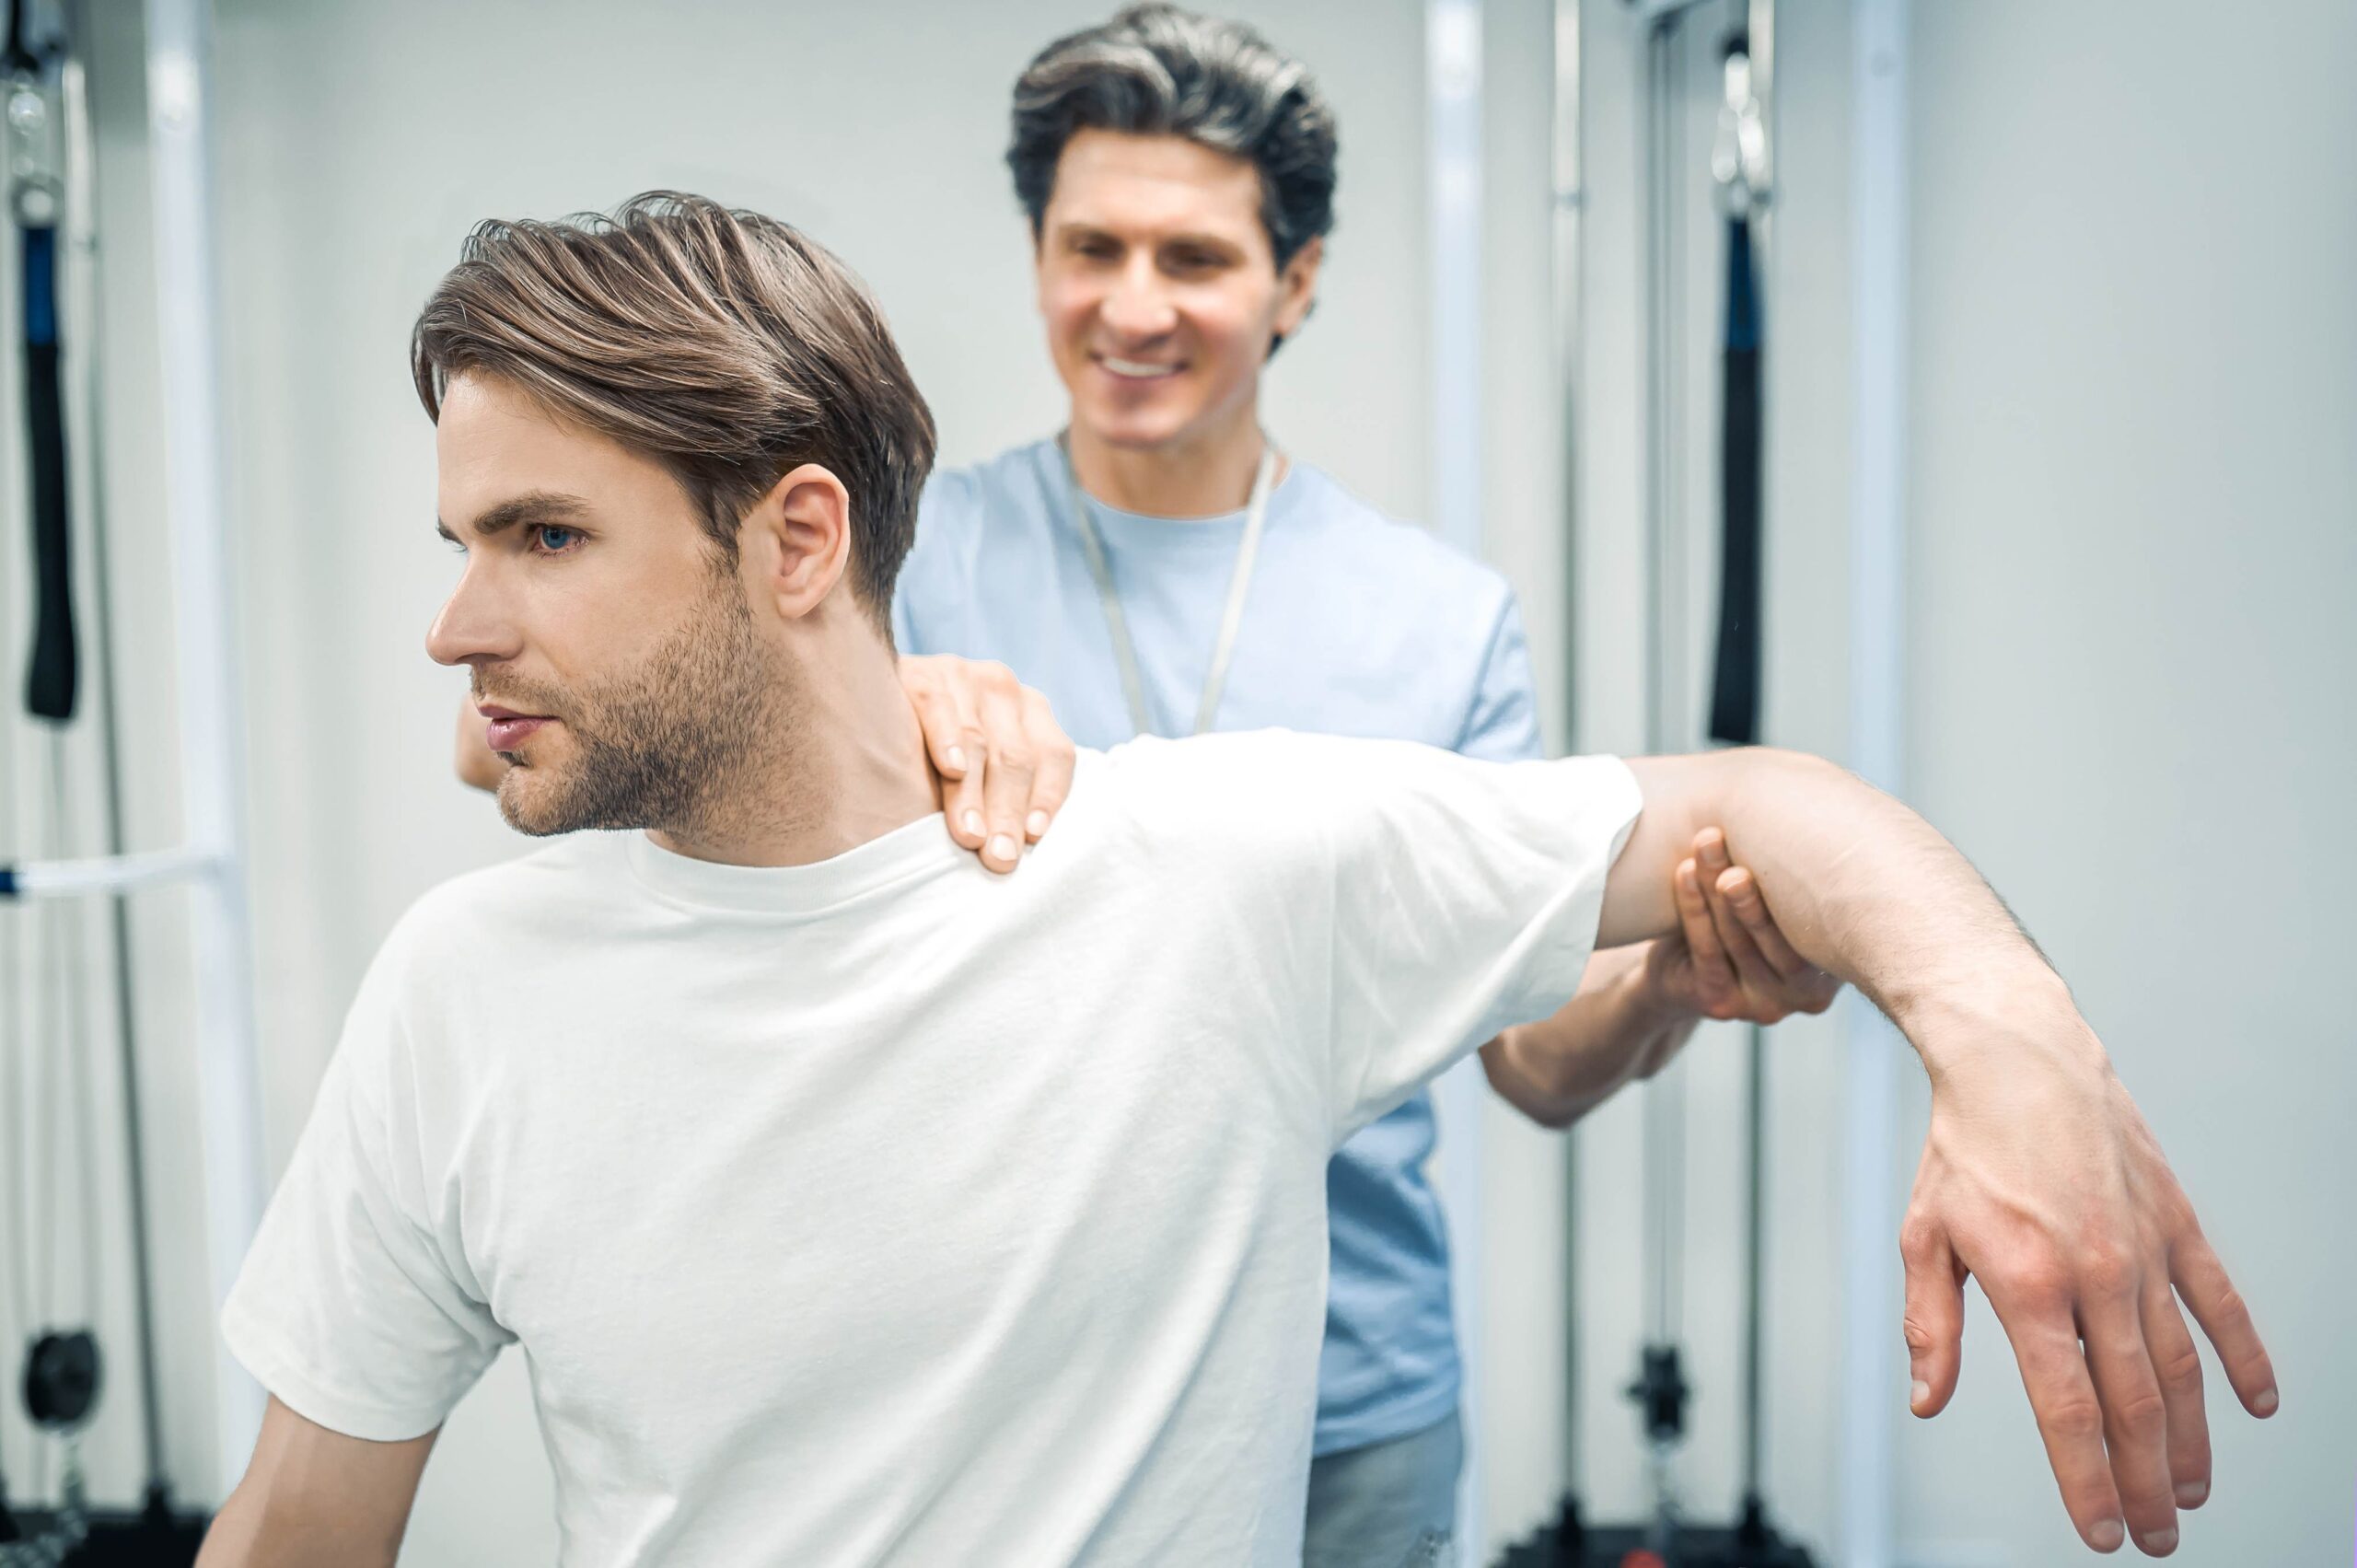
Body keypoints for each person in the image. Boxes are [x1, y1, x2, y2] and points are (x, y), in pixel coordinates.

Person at [202, 194, 2270, 1568]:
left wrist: (2014, 1047)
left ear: (799, 539)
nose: (453, 625)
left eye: (542, 538)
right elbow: (297, 1533)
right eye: (462, 543)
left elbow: (1779, 809)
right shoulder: (464, 987)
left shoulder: (1219, 870)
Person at [447, 11, 1842, 1557]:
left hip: (1355, 1417)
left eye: (1193, 259)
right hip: (996, 1412)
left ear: (1294, 282)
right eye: (1091, 248)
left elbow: (1534, 1062)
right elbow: (613, 765)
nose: (1131, 306)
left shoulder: (1437, 620)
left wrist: (1661, 988)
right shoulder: (883, 564)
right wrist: (890, 690)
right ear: (1039, 254)